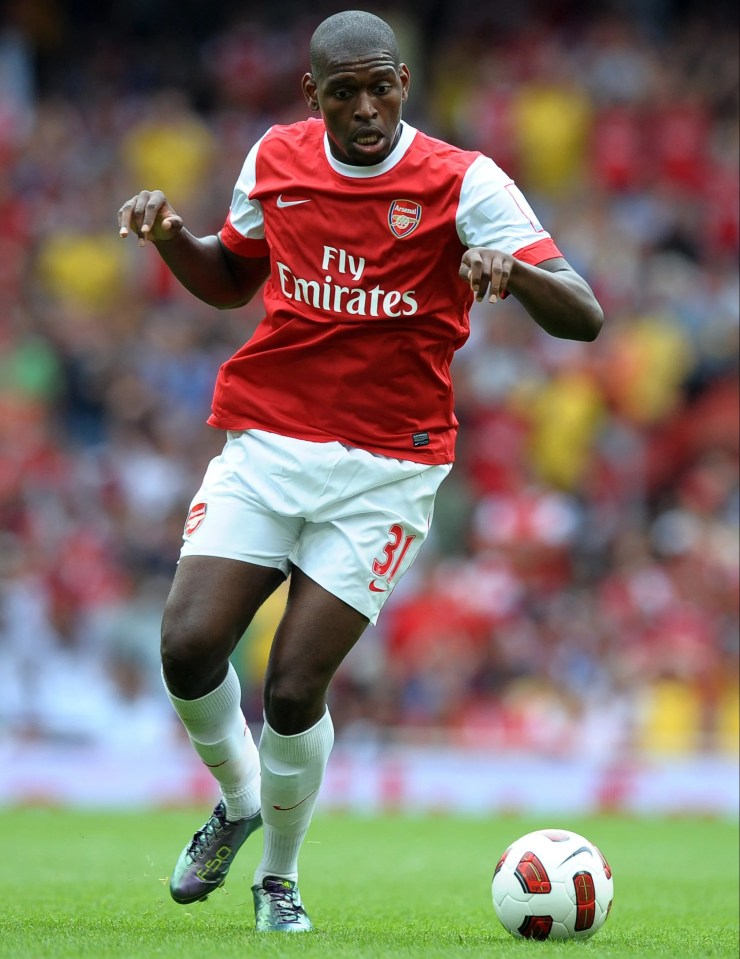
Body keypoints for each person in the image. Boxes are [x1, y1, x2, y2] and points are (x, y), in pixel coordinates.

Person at [117, 9, 603, 934]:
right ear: (314, 95)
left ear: (404, 84)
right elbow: (232, 278)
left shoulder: (466, 182)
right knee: (185, 646)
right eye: (347, 92)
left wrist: (514, 271)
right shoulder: (276, 158)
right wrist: (172, 234)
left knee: (294, 687)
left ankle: (279, 878)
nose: (368, 108)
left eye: (382, 87)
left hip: (387, 468)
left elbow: (583, 313)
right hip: (267, 441)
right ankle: (239, 798)